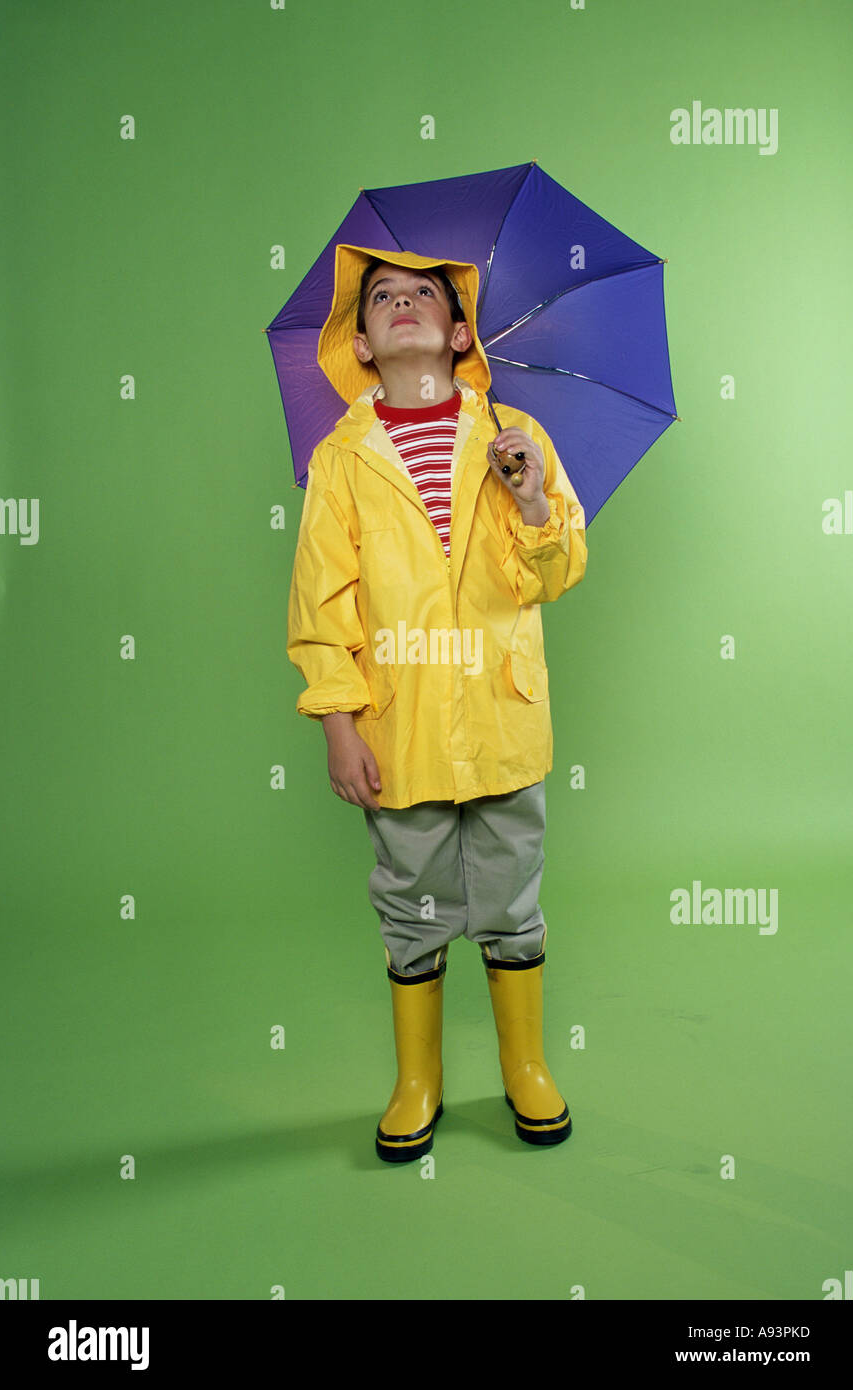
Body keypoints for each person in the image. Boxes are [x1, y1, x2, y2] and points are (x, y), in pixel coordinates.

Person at [286, 242, 588, 1161]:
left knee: (509, 897)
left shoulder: (516, 437)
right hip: (399, 723)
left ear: (461, 333)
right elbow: (319, 600)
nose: (403, 304)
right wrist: (338, 722)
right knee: (412, 899)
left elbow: (556, 574)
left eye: (425, 294)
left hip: (501, 718)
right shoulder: (341, 461)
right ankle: (419, 1081)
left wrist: (533, 503)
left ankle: (525, 1068)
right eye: (383, 297)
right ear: (365, 342)